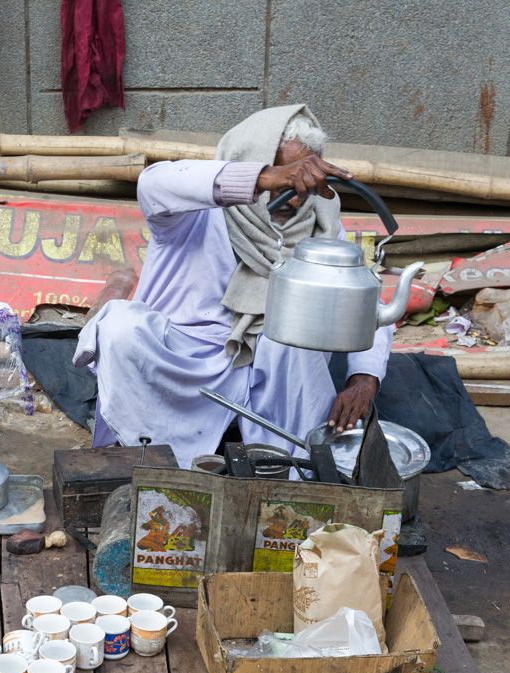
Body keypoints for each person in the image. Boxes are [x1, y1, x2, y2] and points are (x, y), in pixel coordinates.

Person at [74, 105, 393, 468]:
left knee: (292, 335)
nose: (294, 196)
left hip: (268, 367)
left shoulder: (319, 223)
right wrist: (263, 178)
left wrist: (364, 379)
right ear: (252, 162)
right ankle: (141, 454)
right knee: (120, 326)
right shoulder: (195, 207)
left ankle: (288, 473)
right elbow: (152, 181)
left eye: (302, 182)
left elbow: (365, 303)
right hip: (184, 356)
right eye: (287, 178)